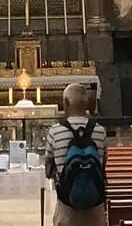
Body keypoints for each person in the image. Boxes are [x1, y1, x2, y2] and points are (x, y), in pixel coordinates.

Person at [44, 83, 108, 226]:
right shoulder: (100, 131)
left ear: (65, 103)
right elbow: (103, 165)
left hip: (67, 209)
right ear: (86, 104)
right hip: (95, 208)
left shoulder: (55, 132)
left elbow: (48, 170)